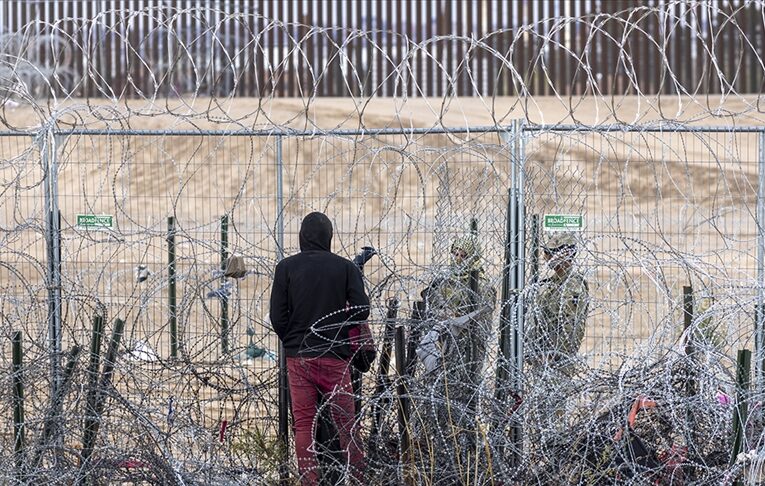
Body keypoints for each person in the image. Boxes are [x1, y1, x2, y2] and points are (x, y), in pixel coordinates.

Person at [269, 212, 369, 485]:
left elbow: (277, 316)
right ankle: (358, 478)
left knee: (303, 425)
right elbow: (362, 310)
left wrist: (293, 340)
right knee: (347, 423)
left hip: (299, 357)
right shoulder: (345, 268)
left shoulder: (286, 267)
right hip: (335, 357)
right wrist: (338, 330)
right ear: (329, 238)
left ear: (301, 237)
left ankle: (309, 481)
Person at [414, 235, 496, 483]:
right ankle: (441, 451)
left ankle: (464, 453)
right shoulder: (443, 281)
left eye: (464, 254)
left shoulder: (482, 285)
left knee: (463, 399)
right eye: (456, 253)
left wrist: (461, 321)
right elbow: (430, 310)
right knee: (441, 399)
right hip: (444, 350)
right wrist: (445, 317)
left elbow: (485, 320)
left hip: (468, 353)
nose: (458, 259)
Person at [526, 231, 589, 372]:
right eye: (546, 252)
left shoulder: (572, 286)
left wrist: (554, 357)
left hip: (557, 364)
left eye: (550, 252)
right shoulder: (554, 283)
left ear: (565, 254)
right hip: (543, 356)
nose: (546, 257)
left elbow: (571, 327)